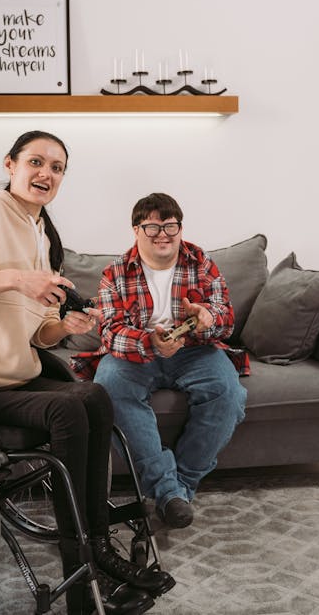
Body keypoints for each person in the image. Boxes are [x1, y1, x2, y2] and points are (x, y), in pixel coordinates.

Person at [0, 132, 174, 615]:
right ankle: (83, 560)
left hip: (13, 372)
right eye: (36, 161)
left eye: (57, 168)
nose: (46, 174)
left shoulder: (41, 232)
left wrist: (61, 329)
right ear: (10, 164)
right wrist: (16, 278)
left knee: (95, 395)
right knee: (71, 406)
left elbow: (34, 333)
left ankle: (96, 543)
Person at [72, 192, 248, 530]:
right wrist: (149, 343)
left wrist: (209, 318)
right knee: (107, 391)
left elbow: (226, 318)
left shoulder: (202, 263)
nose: (163, 234)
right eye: (153, 227)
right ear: (136, 230)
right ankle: (173, 493)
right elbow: (111, 332)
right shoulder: (116, 272)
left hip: (194, 350)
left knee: (228, 394)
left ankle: (173, 490)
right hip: (135, 353)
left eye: (170, 225)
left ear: (180, 228)